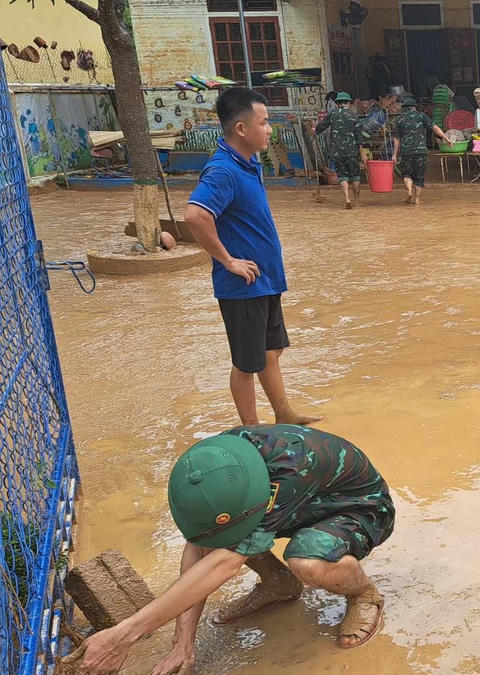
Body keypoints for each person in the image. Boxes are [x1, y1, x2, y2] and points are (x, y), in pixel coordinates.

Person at [69, 425, 394, 673]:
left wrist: (122, 635)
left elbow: (223, 564)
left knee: (306, 558)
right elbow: (200, 545)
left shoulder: (288, 471)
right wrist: (183, 642)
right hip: (303, 503)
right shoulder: (217, 460)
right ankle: (279, 585)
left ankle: (363, 594)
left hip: (358, 508)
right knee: (224, 531)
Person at [185, 88, 320, 427]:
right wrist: (228, 261)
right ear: (242, 129)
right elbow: (195, 216)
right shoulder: (222, 171)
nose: (270, 128)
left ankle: (283, 412)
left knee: (272, 351)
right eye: (264, 122)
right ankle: (252, 430)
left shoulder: (247, 163)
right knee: (247, 362)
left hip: (265, 279)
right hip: (242, 285)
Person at [391, 95, 449, 205]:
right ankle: (417, 199)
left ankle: (409, 191)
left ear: (404, 108)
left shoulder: (399, 119)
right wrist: (446, 138)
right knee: (419, 176)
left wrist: (395, 154)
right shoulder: (422, 116)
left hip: (406, 151)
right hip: (421, 151)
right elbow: (435, 128)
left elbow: (396, 138)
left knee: (406, 174)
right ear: (414, 107)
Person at [315, 92, 366, 209]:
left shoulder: (332, 114)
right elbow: (359, 138)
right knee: (355, 176)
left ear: (338, 104)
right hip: (352, 152)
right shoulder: (354, 116)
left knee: (342, 176)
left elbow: (320, 127)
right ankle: (356, 201)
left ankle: (347, 199)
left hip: (337, 151)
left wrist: (315, 131)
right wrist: (362, 154)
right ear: (349, 103)